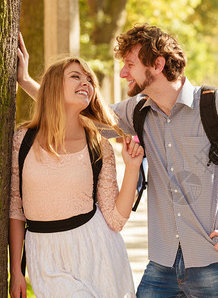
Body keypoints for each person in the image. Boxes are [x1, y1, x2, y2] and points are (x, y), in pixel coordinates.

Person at [17, 24, 218, 297]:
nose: (123, 72)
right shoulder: (137, 112)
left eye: (130, 64)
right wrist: (26, 82)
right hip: (162, 265)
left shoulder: (216, 105)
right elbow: (75, 114)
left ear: (158, 64)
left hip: (215, 262)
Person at [10, 48, 144, 297]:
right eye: (75, 76)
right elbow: (16, 209)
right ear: (53, 86)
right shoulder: (23, 140)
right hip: (44, 254)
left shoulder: (98, 144)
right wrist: (16, 270)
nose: (86, 82)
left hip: (96, 251)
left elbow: (115, 220)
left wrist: (133, 169)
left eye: (89, 79)